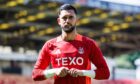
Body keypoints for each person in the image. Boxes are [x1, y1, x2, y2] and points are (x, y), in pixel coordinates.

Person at [32, 4, 110, 84]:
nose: (67, 21)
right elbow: (35, 74)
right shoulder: (50, 45)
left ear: (76, 20)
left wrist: (82, 72)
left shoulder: (89, 44)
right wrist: (55, 71)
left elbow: (105, 73)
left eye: (71, 17)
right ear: (59, 21)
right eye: (64, 18)